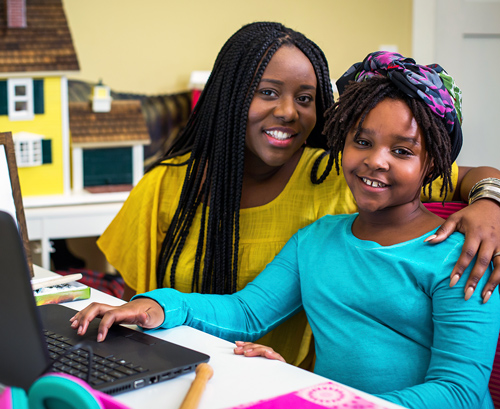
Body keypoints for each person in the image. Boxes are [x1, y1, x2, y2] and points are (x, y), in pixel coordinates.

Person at [72, 52, 500, 409]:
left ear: (433, 166)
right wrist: (157, 307)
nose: (377, 161)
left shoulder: (460, 256)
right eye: (362, 141)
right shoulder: (316, 240)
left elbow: (458, 390)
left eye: (402, 151)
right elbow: (247, 313)